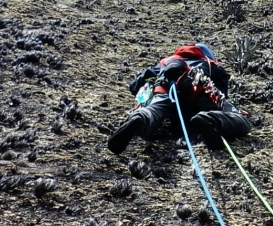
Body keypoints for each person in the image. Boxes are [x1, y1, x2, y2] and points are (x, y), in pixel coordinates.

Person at [107, 43, 251, 154]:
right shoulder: (209, 63)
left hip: (165, 90)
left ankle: (140, 118)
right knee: (241, 120)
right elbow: (222, 90)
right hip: (201, 89)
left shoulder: (166, 62)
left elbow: (135, 85)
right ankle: (209, 119)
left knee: (154, 110)